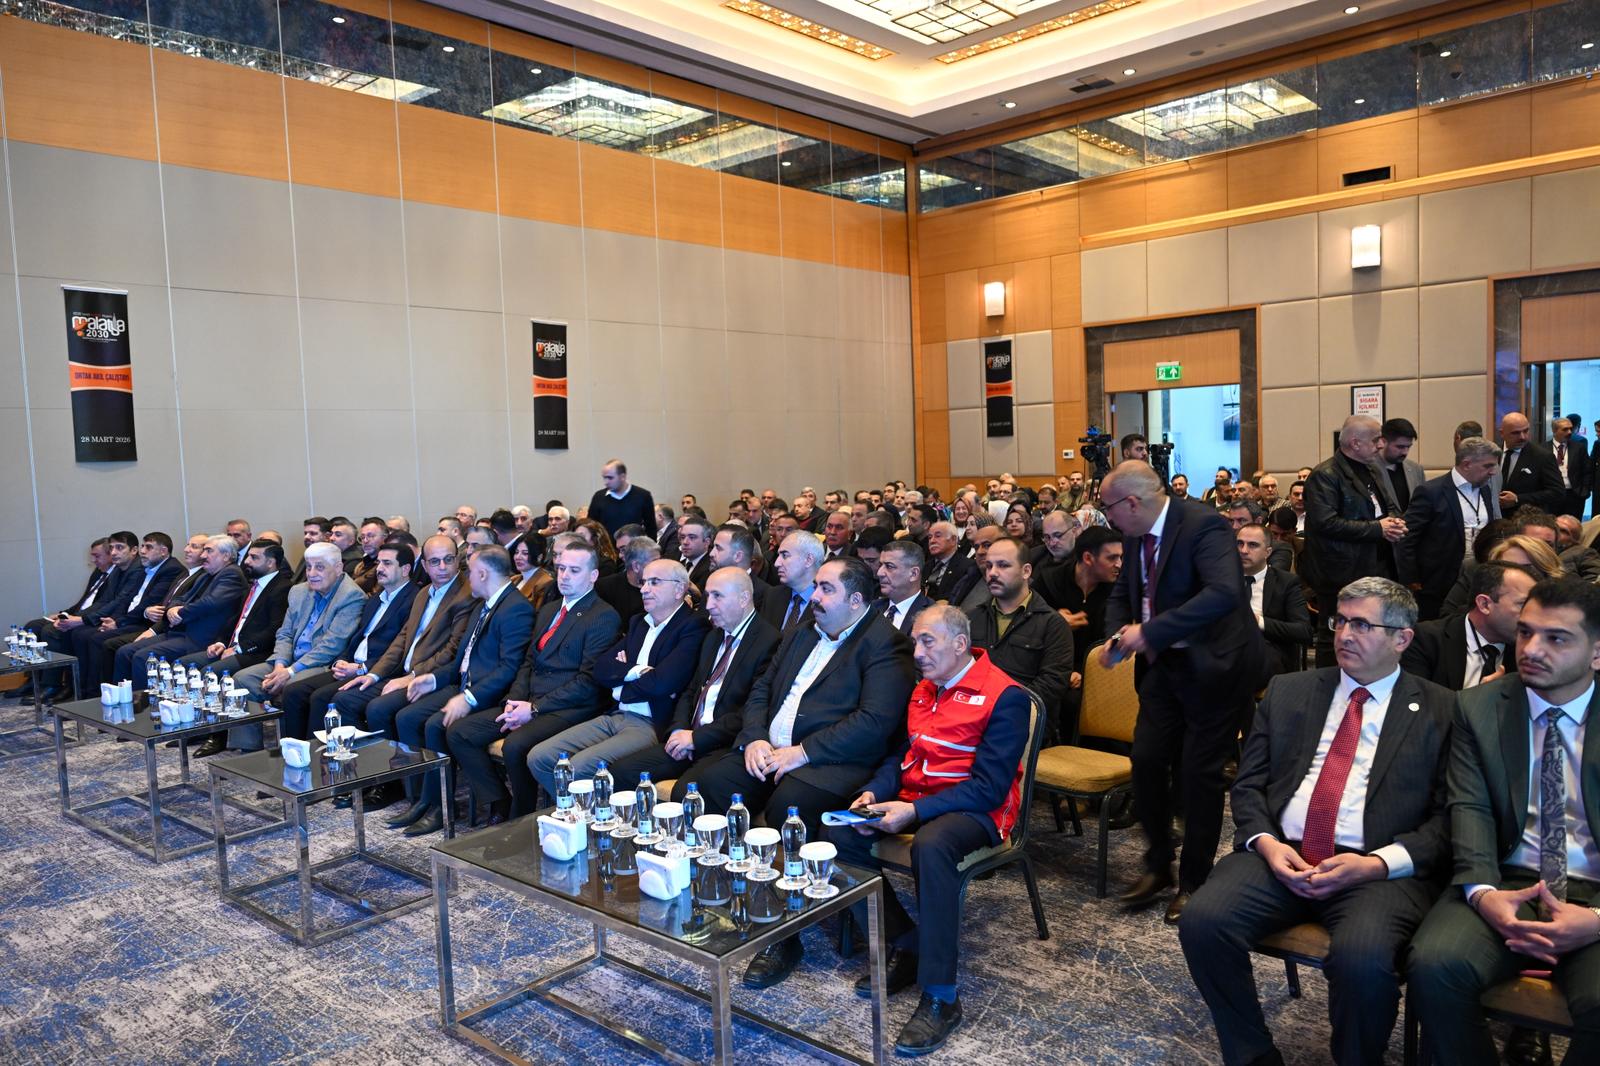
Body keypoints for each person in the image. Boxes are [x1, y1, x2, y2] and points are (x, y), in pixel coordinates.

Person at [1180, 577, 1454, 1066]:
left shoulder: (1443, 709)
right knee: (1202, 921)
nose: (1344, 635)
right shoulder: (1291, 690)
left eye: (1362, 625)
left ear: (1402, 639)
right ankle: (1252, 1055)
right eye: (1340, 621)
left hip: (1376, 871)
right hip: (1282, 854)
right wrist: (1266, 843)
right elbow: (1249, 785)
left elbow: (1447, 818)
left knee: (1362, 960)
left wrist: (1377, 864)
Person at [675, 556, 916, 988]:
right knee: (701, 787)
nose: (814, 597)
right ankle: (725, 900)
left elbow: (874, 723)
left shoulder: (884, 643)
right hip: (770, 752)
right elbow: (762, 689)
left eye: (826, 589)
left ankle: (782, 934)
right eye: (816, 587)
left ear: (856, 600)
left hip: (834, 762)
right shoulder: (804, 630)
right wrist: (754, 737)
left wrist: (803, 752)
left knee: (789, 809)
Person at [1409, 577, 1600, 1066]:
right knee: (1435, 965)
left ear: (1597, 653)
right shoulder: (1479, 706)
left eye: (1557, 638)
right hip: (1506, 877)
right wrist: (1482, 892)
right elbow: (1468, 806)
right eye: (1525, 632)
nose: (1531, 649)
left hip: (1595, 892)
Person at [824, 605, 1030, 1055]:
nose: (916, 652)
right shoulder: (924, 689)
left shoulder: (1005, 695)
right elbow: (902, 755)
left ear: (960, 644)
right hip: (917, 798)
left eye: (927, 642)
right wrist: (874, 793)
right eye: (915, 641)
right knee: (840, 835)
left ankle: (941, 996)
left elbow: (990, 788)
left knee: (932, 846)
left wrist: (913, 813)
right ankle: (907, 943)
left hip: (977, 809)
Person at [1098, 460, 1265, 921]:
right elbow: (1124, 593)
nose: (1107, 517)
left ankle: (1195, 881)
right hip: (1164, 666)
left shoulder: (1203, 525)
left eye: (1109, 508)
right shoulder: (1136, 533)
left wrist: (1151, 632)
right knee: (1147, 760)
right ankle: (1158, 864)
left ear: (1132, 502)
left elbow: (1223, 593)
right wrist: (1117, 636)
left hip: (1215, 667)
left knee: (1198, 773)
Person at [449, 538, 621, 820]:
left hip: (570, 707)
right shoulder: (550, 609)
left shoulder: (602, 616)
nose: (564, 576)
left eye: (574, 570)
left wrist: (535, 709)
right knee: (461, 732)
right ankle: (499, 801)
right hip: (530, 700)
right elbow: (528, 662)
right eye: (561, 568)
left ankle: (522, 816)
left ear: (593, 575)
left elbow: (588, 683)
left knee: (516, 745)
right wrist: (515, 700)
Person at [385, 545, 536, 837]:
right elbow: (460, 662)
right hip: (466, 683)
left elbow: (509, 669)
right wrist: (432, 679)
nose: (467, 577)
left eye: (471, 571)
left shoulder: (516, 609)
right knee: (408, 716)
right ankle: (426, 800)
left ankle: (443, 806)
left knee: (437, 724)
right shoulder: (482, 605)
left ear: (483, 573)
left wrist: (468, 698)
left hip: (494, 694)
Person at [526, 559, 707, 795]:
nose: (644, 589)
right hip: (616, 714)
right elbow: (602, 668)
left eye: (654, 582)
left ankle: (590, 814)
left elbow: (663, 682)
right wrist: (636, 671)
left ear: (679, 589)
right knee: (540, 757)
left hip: (650, 723)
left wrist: (621, 685)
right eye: (643, 582)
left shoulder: (692, 626)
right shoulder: (639, 622)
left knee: (579, 767)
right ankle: (577, 811)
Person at [334, 535, 475, 803]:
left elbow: (452, 651)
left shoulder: (466, 595)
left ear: (458, 560)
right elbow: (402, 640)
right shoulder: (424, 593)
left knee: (379, 708)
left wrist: (411, 677)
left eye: (448, 559)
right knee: (345, 700)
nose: (442, 567)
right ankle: (372, 777)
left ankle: (397, 786)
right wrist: (373, 674)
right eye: (435, 561)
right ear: (425, 565)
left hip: (434, 678)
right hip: (403, 672)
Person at [217, 542, 367, 755]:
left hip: (320, 664)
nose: (312, 573)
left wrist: (289, 672)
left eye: (320, 567)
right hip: (289, 660)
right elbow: (285, 633)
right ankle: (250, 751)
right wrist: (280, 665)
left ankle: (291, 752)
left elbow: (331, 646)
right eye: (308, 567)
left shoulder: (352, 596)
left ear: (338, 567)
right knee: (242, 680)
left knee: (291, 687)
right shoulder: (299, 591)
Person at [274, 541, 418, 743]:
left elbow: (397, 649)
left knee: (322, 697)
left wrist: (360, 668)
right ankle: (295, 750)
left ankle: (320, 755)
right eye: (378, 563)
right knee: (295, 691)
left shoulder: (414, 600)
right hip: (351, 665)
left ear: (405, 569)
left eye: (387, 563)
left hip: (377, 669)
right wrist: (341, 661)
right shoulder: (376, 599)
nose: (379, 568)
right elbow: (356, 638)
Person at [1303, 415, 1405, 667]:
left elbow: (1388, 506)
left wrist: (1395, 522)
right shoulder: (1324, 475)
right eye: (1376, 439)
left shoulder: (1372, 469)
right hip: (1340, 572)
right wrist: (1377, 528)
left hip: (1376, 565)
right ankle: (1328, 684)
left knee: (1371, 630)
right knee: (1335, 633)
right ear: (1355, 443)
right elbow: (1326, 523)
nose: (1381, 445)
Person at [966, 537, 1073, 744]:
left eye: (1003, 565)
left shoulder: (1052, 624)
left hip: (1022, 722)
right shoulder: (972, 618)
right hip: (970, 717)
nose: (992, 573)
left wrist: (999, 708)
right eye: (989, 566)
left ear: (1026, 571)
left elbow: (1051, 685)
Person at [113, 536, 249, 683]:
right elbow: (181, 598)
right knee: (125, 651)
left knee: (143, 657)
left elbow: (209, 603)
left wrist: (179, 612)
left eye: (209, 551)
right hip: (180, 632)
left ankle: (146, 697)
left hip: (200, 638)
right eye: (203, 550)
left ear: (226, 555)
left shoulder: (232, 573)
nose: (203, 555)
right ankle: (123, 696)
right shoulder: (206, 574)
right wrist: (172, 609)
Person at [1397, 436, 1502, 621]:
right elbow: (1407, 538)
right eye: (1488, 466)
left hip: (1477, 579)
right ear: (1467, 464)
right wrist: (1412, 581)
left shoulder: (1484, 489)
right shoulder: (1430, 492)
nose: (1493, 472)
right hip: (1437, 584)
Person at [66, 532, 185, 689]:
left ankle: (99, 692)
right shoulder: (146, 568)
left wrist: (118, 623)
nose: (143, 551)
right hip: (131, 618)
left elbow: (148, 603)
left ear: (163, 551)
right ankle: (84, 689)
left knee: (100, 640)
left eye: (148, 547)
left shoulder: (171, 569)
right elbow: (126, 599)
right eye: (143, 546)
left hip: (144, 622)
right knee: (81, 634)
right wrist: (115, 620)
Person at [1401, 561, 1533, 692]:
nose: (1531, 616)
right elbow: (1415, 701)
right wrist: (1477, 700)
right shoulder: (1425, 640)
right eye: (1522, 605)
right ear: (1484, 605)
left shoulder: (1529, 651)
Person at [1237, 523, 1311, 687]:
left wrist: (1258, 622)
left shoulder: (1285, 582)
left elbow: (1303, 630)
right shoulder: (1222, 578)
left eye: (1253, 545)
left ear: (1268, 552)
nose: (1243, 550)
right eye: (1239, 543)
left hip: (1265, 649)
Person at [1495, 410, 1565, 517]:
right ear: (1502, 433)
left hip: (1526, 519)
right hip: (1496, 519)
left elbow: (1557, 492)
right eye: (1516, 433)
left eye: (1526, 431)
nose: (1522, 437)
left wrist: (1518, 499)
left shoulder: (1542, 456)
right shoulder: (1493, 453)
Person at [758, 530, 823, 635]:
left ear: (808, 560)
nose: (776, 563)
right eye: (778, 556)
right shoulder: (772, 595)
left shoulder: (826, 603)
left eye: (785, 555)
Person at [872, 540, 932, 637]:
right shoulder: (871, 608)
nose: (879, 573)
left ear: (913, 574)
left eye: (889, 566)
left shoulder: (932, 615)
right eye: (880, 565)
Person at [595, 532, 656, 625]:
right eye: (654, 561)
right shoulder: (605, 587)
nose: (659, 565)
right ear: (636, 566)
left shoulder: (661, 586)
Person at [587, 458, 656, 539]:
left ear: (622, 477)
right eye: (604, 478)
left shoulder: (643, 496)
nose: (606, 482)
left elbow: (651, 528)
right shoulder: (598, 497)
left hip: (634, 546)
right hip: (606, 546)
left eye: (610, 478)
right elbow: (590, 528)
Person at [923, 521, 978, 604]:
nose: (932, 541)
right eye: (930, 537)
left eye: (938, 536)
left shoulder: (967, 567)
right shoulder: (926, 566)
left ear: (953, 540)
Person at [1378, 417, 1425, 512]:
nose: (1405, 452)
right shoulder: (1368, 468)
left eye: (1408, 447)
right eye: (1400, 447)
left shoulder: (1416, 469)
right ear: (1383, 442)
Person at [1552, 416, 1590, 520]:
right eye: (1565, 429)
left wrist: (1584, 491)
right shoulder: (1543, 448)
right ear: (1554, 431)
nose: (1569, 432)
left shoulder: (1579, 447)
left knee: (1574, 527)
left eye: (1570, 428)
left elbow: (1587, 471)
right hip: (1552, 496)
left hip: (1575, 496)